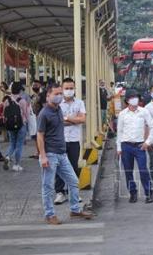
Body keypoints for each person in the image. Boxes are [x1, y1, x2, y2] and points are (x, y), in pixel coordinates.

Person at [37, 83, 93, 225]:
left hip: (62, 154)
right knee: (48, 186)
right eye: (56, 94)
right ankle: (50, 215)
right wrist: (43, 156)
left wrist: (73, 122)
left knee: (73, 181)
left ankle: (75, 209)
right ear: (48, 95)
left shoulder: (58, 110)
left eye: (60, 94)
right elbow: (40, 135)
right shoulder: (44, 114)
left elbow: (60, 124)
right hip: (50, 154)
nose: (59, 96)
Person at [116, 89, 153, 204]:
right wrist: (119, 148)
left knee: (143, 170)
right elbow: (119, 132)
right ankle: (132, 193)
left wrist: (148, 142)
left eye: (136, 97)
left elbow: (152, 127)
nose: (135, 99)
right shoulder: (122, 114)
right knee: (128, 171)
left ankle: (149, 193)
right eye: (132, 97)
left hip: (140, 146)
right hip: (126, 146)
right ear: (127, 100)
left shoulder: (144, 112)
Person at [54, 78, 86, 205]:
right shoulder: (57, 103)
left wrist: (66, 118)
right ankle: (60, 192)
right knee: (59, 167)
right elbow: (57, 122)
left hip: (74, 140)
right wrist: (74, 119)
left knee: (73, 166)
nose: (69, 90)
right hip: (60, 140)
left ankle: (74, 192)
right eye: (66, 88)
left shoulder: (79, 102)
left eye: (71, 88)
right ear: (62, 89)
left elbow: (83, 119)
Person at [2, 82, 30, 171]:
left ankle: (7, 157)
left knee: (12, 143)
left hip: (10, 125)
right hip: (21, 125)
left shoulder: (6, 101)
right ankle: (17, 165)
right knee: (19, 145)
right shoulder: (22, 101)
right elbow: (26, 114)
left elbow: (4, 114)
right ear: (20, 90)